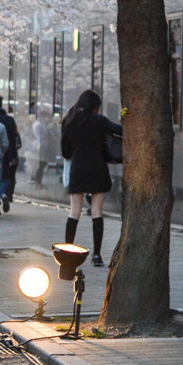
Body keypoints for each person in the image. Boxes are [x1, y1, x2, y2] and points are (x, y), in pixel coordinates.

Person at [61, 89, 122, 267]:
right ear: (95, 106)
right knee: (97, 212)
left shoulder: (69, 121)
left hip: (79, 169)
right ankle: (96, 255)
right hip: (97, 168)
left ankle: (67, 253)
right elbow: (120, 130)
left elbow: (65, 152)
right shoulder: (99, 121)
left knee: (74, 212)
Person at [0, 95, 21, 213]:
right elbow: (12, 140)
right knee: (3, 177)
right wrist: (11, 155)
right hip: (4, 154)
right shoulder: (9, 120)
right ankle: (3, 194)